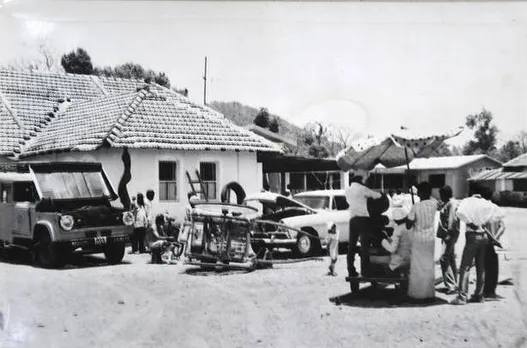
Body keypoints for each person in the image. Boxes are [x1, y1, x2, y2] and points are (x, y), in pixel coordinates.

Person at [451, 184, 505, 305]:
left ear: (471, 191)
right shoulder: (486, 203)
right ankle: (478, 295)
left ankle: (462, 296)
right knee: (481, 267)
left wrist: (470, 223)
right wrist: (484, 219)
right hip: (484, 236)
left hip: (472, 235)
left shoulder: (467, 201)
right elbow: (501, 214)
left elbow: (459, 213)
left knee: (465, 266)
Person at [405, 182, 438, 302]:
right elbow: (433, 200)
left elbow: (408, 225)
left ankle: (418, 295)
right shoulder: (434, 204)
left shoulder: (416, 207)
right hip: (430, 239)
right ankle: (429, 294)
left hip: (419, 240)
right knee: (428, 267)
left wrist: (410, 217)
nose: (417, 192)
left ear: (423, 192)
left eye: (419, 190)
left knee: (418, 268)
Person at [345, 175, 382, 277]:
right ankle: (366, 271)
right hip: (363, 219)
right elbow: (376, 196)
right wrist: (380, 193)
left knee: (351, 246)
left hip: (352, 219)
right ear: (360, 181)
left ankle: (351, 270)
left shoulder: (347, 190)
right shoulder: (362, 189)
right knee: (364, 246)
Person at [482, 187, 506, 301]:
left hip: (484, 240)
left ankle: (485, 291)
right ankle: (491, 291)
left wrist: (490, 237)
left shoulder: (481, 209)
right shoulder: (496, 208)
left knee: (484, 266)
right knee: (494, 267)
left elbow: (480, 226)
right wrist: (496, 238)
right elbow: (502, 226)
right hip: (494, 243)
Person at [437, 186, 460, 295]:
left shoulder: (452, 203)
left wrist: (449, 232)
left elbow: (452, 218)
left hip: (449, 233)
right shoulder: (448, 203)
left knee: (443, 258)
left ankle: (451, 285)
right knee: (450, 258)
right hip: (447, 233)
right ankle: (455, 282)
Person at [380, 199, 412, 276]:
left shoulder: (398, 230)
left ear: (395, 221)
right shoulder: (411, 228)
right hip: (411, 262)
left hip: (398, 264)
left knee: (383, 268)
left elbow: (392, 249)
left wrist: (383, 241)